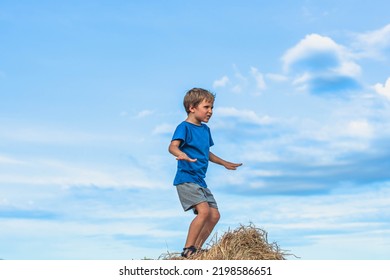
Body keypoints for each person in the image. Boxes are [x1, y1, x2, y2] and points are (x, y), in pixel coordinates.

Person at [168, 88, 242, 258]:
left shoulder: (205, 130)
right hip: (186, 178)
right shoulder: (184, 127)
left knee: (215, 215)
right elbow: (172, 146)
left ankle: (197, 249)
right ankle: (188, 249)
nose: (210, 111)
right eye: (207, 107)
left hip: (200, 180)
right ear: (192, 107)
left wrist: (224, 163)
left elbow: (205, 152)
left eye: (212, 108)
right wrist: (181, 154)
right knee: (204, 211)